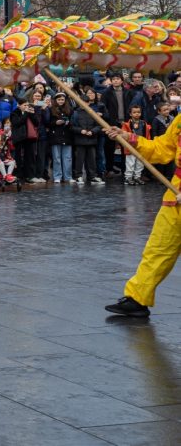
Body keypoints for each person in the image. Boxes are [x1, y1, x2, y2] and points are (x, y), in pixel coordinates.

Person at [103, 113, 181, 317]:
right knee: (158, 249)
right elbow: (163, 149)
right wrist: (129, 138)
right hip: (175, 196)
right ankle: (138, 297)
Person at [71, 87, 106, 185]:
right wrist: (80, 130)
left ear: (89, 103)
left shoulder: (93, 113)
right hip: (80, 139)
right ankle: (78, 176)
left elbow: (98, 125)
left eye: (86, 102)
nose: (84, 104)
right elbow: (72, 126)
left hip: (91, 139)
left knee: (92, 160)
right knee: (79, 159)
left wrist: (93, 131)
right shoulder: (75, 113)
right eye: (82, 102)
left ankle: (92, 176)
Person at [46, 91, 74, 184]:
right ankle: (57, 176)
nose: (61, 101)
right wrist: (55, 123)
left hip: (67, 135)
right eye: (59, 99)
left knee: (67, 158)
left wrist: (68, 123)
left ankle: (68, 176)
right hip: (55, 136)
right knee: (56, 158)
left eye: (62, 99)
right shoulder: (50, 110)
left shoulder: (70, 109)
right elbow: (47, 122)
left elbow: (73, 122)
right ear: (55, 100)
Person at [122, 105, 151, 185]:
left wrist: (148, 144)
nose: (137, 114)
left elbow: (147, 135)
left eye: (138, 112)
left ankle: (137, 177)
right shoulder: (126, 124)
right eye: (134, 112)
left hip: (141, 146)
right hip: (131, 147)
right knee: (130, 163)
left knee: (140, 163)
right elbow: (123, 135)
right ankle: (128, 178)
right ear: (130, 114)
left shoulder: (144, 123)